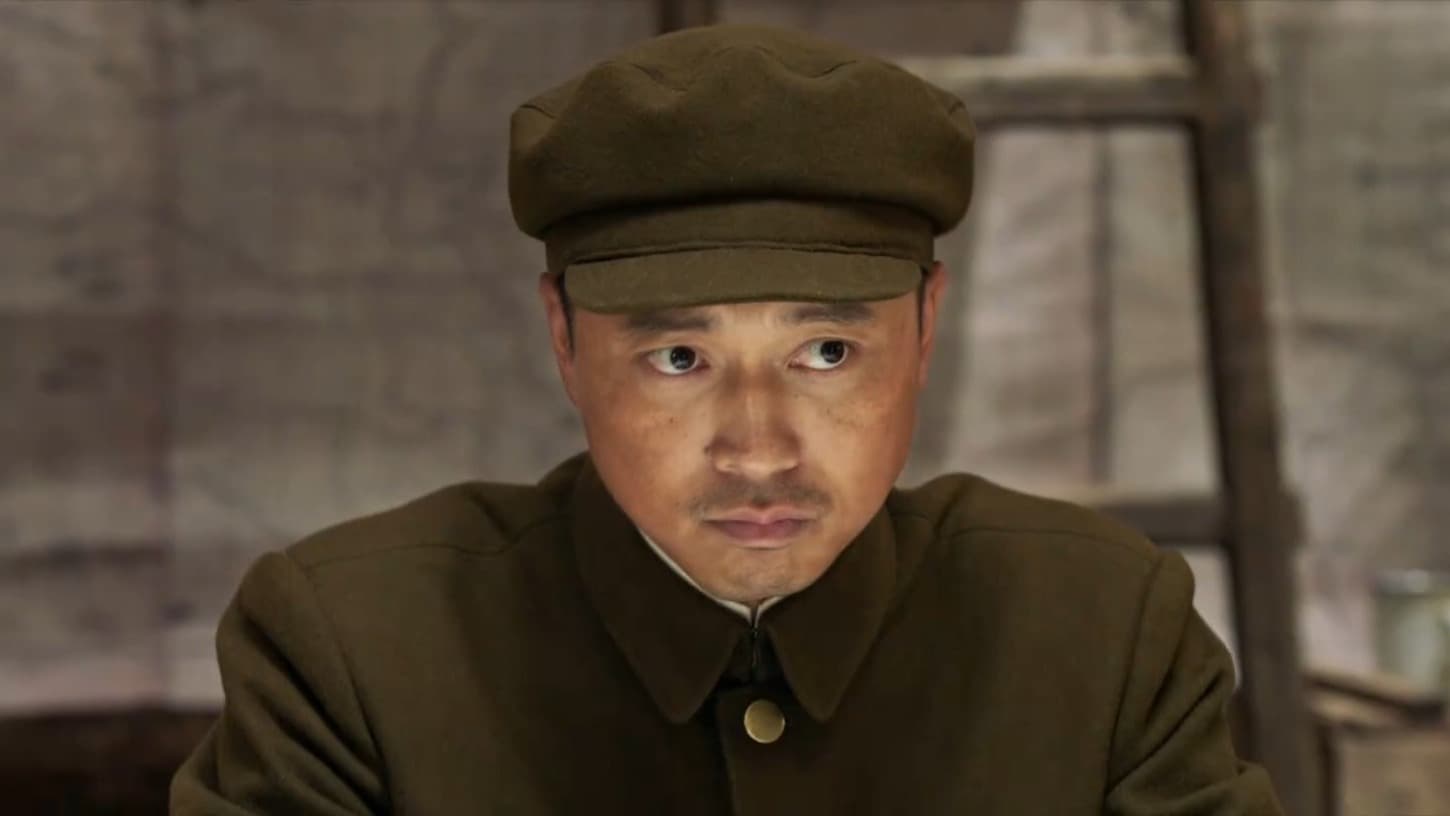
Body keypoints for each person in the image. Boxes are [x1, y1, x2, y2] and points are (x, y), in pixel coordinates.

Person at [171, 23, 1283, 815]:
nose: (758, 448)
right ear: (563, 336)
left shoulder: (1103, 635)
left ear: (926, 325)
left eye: (827, 352)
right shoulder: (351, 655)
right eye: (678, 358)